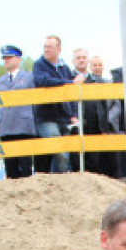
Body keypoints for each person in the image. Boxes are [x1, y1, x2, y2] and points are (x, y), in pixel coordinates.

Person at [33, 35, 83, 174]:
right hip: (46, 117)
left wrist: (74, 114)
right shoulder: (39, 65)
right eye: (45, 47)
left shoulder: (64, 68)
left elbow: (72, 94)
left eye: (49, 47)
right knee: (60, 151)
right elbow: (43, 81)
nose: (46, 49)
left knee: (64, 153)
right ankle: (62, 179)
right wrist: (70, 82)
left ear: (58, 49)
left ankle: (58, 181)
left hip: (64, 117)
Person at [0, 45, 35, 180]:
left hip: (24, 126)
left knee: (25, 167)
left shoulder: (29, 77)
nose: (7, 60)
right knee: (10, 168)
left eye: (10, 57)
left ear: (18, 59)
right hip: (6, 127)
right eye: (5, 58)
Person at [82, 55, 114, 176]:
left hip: (105, 125)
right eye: (95, 65)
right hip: (90, 125)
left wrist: (105, 127)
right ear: (90, 67)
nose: (97, 67)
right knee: (93, 158)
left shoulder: (107, 83)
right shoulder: (86, 82)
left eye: (100, 65)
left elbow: (106, 107)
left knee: (105, 159)